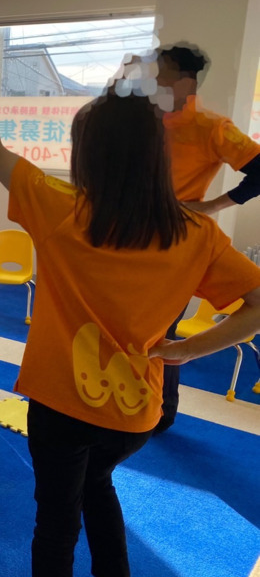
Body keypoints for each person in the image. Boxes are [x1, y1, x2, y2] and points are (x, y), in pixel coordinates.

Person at [0, 18, 260, 577]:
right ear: (156, 157)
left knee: (55, 523)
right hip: (134, 414)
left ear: (87, 154)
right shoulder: (195, 233)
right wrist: (187, 350)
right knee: (97, 484)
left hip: (60, 406)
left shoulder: (60, 208)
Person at [77, 44, 260, 433]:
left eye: (160, 75)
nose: (151, 81)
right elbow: (96, 123)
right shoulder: (143, 117)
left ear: (185, 83)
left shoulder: (212, 127)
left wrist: (210, 206)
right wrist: (120, 75)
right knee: (110, 321)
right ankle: (103, 398)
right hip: (123, 234)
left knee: (159, 331)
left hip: (174, 243)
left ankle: (160, 411)